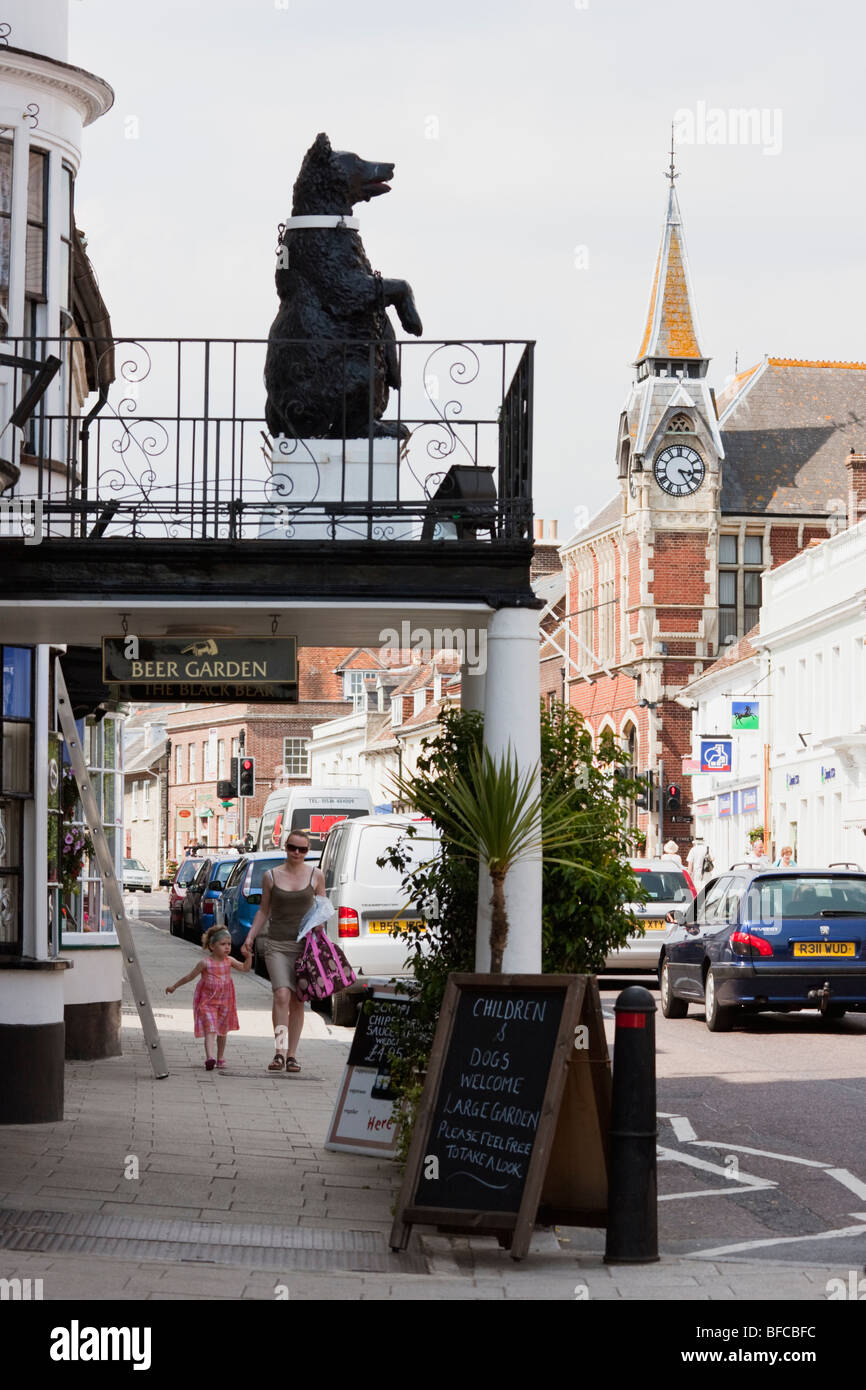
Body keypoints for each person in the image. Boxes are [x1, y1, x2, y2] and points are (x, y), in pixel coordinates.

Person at [242, 830, 326, 1074]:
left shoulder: (316, 875)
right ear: (285, 847)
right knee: (281, 994)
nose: (297, 853)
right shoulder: (271, 876)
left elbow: (322, 908)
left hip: (305, 946)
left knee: (299, 1001)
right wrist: (250, 936)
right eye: (292, 848)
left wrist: (320, 929)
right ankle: (279, 1052)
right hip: (277, 944)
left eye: (302, 849)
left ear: (307, 852)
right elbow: (263, 911)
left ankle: (292, 1055)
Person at [166, 925, 250, 1070]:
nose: (227, 947)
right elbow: (189, 977)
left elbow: (245, 968)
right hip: (207, 1003)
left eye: (229, 944)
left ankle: (220, 1057)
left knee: (222, 1032)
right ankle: (210, 1058)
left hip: (225, 1003)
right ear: (212, 946)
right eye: (223, 944)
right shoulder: (205, 963)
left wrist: (249, 957)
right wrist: (174, 986)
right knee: (210, 1029)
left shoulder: (229, 961)